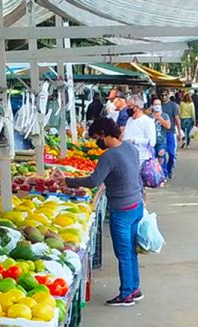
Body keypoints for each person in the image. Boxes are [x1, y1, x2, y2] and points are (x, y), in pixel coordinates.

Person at [59, 117, 143, 307]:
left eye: (98, 137)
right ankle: (134, 288)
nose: (97, 141)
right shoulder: (130, 148)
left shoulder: (109, 156)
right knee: (131, 251)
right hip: (136, 205)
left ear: (104, 134)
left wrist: (68, 181)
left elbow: (93, 181)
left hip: (121, 210)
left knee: (123, 253)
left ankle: (126, 294)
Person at [121, 96, 158, 164]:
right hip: (127, 156)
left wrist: (135, 141)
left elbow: (152, 142)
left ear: (137, 107)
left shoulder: (148, 121)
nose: (127, 109)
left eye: (129, 106)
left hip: (141, 158)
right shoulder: (129, 120)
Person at [159, 89, 181, 176]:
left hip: (171, 132)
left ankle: (169, 168)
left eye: (165, 95)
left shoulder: (173, 105)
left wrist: (179, 132)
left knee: (172, 153)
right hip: (161, 133)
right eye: (162, 95)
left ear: (168, 95)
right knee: (162, 153)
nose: (163, 97)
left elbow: (177, 119)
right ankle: (164, 172)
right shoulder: (158, 105)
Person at [148, 98, 172, 176]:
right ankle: (154, 176)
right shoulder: (149, 116)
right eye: (155, 104)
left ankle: (163, 175)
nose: (157, 106)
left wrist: (159, 118)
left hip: (161, 141)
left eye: (159, 104)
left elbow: (168, 126)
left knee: (161, 158)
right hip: (151, 141)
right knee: (151, 159)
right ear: (152, 106)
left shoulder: (165, 115)